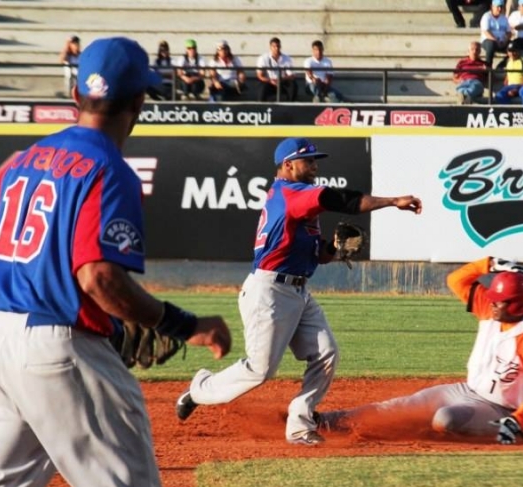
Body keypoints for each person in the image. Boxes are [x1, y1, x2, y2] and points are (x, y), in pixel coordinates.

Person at [0, 36, 232, 487]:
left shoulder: (27, 158)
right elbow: (98, 277)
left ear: (75, 95)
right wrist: (181, 324)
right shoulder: (109, 169)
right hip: (60, 347)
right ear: (138, 104)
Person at [175, 137, 423, 445]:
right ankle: (200, 388)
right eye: (309, 160)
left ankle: (300, 424)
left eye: (315, 160)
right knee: (260, 370)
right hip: (269, 292)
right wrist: (392, 201)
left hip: (297, 291)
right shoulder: (291, 192)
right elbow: (344, 200)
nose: (315, 166)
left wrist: (333, 247)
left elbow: (318, 255)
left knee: (326, 353)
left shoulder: (296, 202)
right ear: (288, 165)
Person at [317, 257, 523, 445]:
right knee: (403, 405)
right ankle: (329, 421)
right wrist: (489, 263)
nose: (490, 301)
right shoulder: (489, 310)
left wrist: (518, 420)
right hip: (464, 390)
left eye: (498, 300)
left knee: (445, 419)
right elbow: (456, 280)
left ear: (516, 305)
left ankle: (494, 431)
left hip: (498, 407)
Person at [256, 36, 297, 102]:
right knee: (262, 86)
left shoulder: (286, 58)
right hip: (269, 82)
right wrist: (270, 81)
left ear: (280, 46)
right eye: (274, 46)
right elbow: (259, 75)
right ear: (270, 47)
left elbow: (291, 75)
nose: (276, 48)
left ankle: (290, 105)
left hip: (282, 82)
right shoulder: (263, 58)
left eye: (278, 46)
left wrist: (280, 80)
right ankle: (261, 107)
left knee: (292, 85)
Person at [480, 0, 511, 68]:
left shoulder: (504, 18)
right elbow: (486, 32)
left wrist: (505, 40)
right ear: (492, 7)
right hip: (488, 40)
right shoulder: (486, 16)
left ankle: (502, 64)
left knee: (513, 46)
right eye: (498, 7)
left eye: (501, 7)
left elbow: (509, 32)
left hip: (502, 42)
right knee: (491, 44)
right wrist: (495, 40)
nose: (499, 9)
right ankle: (488, 67)